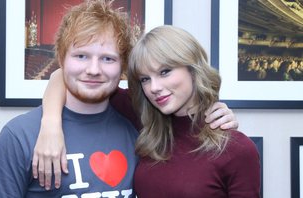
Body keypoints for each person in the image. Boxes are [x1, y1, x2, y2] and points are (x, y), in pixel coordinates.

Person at [31, 28, 250, 197]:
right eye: (145, 79)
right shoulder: (144, 118)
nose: (154, 87)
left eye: (165, 72)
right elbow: (62, 75)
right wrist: (51, 126)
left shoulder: (237, 149)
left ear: (193, 69)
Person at [0, 0, 139, 197]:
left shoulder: (135, 130)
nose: (94, 70)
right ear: (61, 59)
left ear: (122, 66)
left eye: (107, 59)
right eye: (81, 56)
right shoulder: (20, 135)